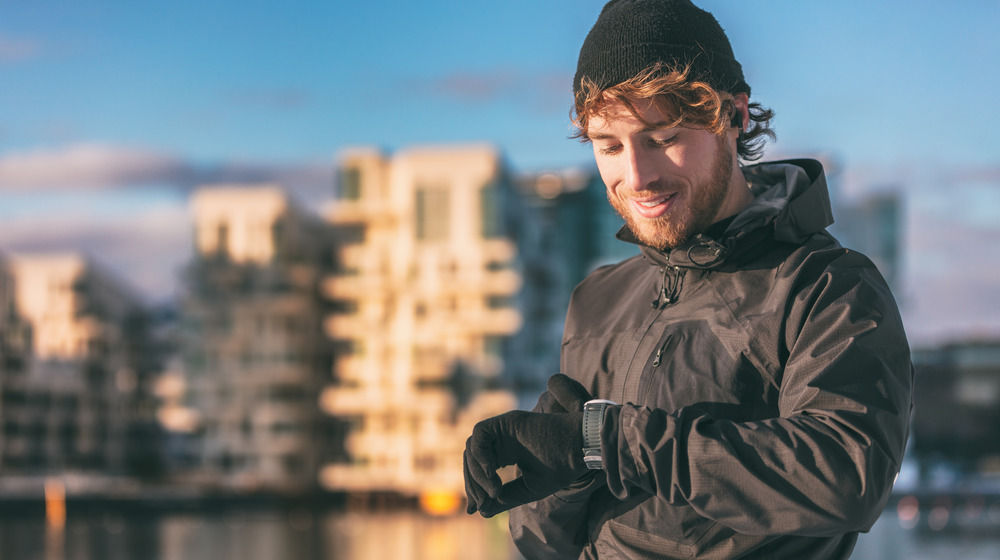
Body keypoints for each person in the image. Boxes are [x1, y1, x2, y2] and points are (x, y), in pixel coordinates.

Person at [463, 0, 914, 558]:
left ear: (735, 116)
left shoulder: (828, 286)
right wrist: (560, 465)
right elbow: (544, 544)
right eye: (609, 146)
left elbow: (845, 474)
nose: (637, 176)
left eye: (662, 137)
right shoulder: (597, 299)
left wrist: (601, 440)